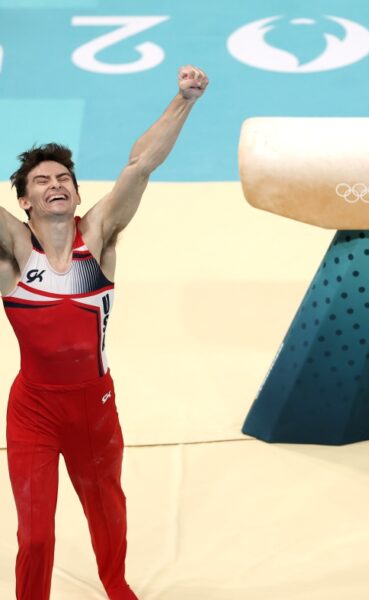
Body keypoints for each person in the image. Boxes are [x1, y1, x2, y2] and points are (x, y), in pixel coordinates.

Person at [0, 64, 209, 600]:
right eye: (41, 180)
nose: (55, 184)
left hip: (94, 407)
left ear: (75, 191)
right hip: (34, 410)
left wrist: (183, 99)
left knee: (107, 515)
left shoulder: (98, 236)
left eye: (64, 177)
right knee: (36, 534)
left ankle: (116, 588)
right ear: (23, 200)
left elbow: (141, 164)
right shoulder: (16, 256)